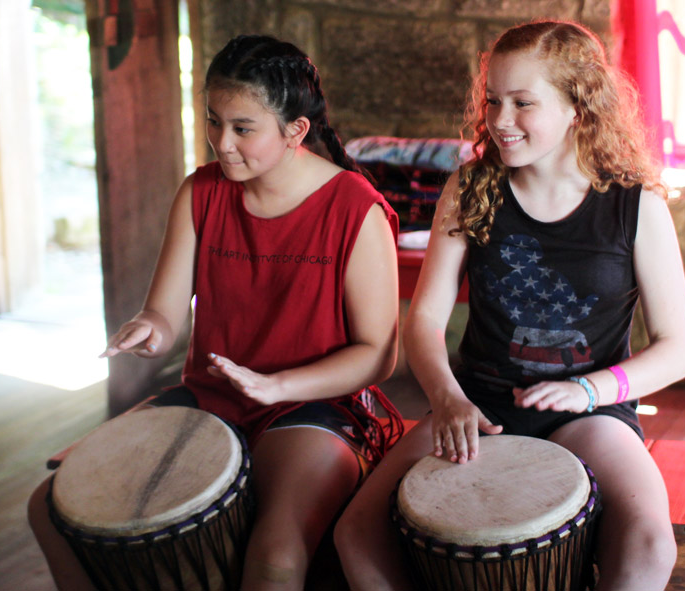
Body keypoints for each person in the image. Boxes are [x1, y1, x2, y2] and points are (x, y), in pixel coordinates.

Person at [27, 34, 403, 591]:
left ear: (296, 130)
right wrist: (147, 330)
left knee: (276, 552)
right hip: (213, 397)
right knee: (50, 507)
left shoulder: (355, 209)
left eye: (243, 128)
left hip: (314, 403)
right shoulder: (200, 191)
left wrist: (277, 387)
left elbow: (380, 356)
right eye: (213, 120)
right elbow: (164, 313)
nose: (222, 142)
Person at [335, 19, 685, 591]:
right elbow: (425, 320)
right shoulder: (472, 188)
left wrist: (588, 390)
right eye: (494, 100)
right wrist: (447, 400)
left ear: (578, 105)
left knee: (651, 546)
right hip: (476, 406)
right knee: (355, 532)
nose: (501, 120)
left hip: (588, 413)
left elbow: (678, 350)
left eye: (523, 103)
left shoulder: (636, 206)